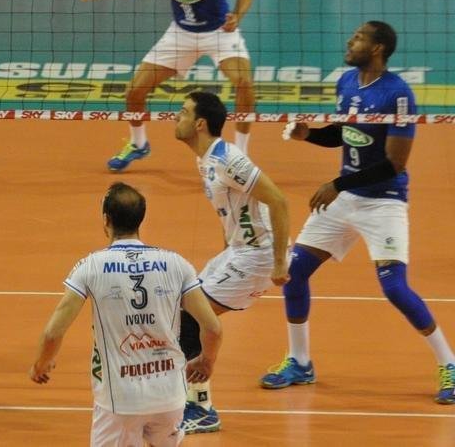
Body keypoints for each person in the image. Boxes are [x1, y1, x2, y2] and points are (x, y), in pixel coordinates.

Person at [260, 22, 455, 404]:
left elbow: (394, 164)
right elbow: (345, 132)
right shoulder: (347, 82)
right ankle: (300, 362)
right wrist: (310, 135)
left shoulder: (398, 94)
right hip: (345, 198)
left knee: (394, 288)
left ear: (378, 48)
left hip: (383, 201)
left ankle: (449, 362)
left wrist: (337, 185)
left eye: (360, 38)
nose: (350, 41)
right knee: (295, 272)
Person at [29, 182, 223, 447]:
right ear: (141, 219)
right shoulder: (177, 264)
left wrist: (42, 364)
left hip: (119, 400)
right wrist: (206, 362)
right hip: (170, 395)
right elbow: (212, 328)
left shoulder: (90, 267)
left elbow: (54, 332)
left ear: (106, 220)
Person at [79, 0, 255, 171]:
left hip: (219, 32)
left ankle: (241, 155)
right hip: (180, 33)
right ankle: (139, 144)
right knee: (134, 92)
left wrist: (237, 16)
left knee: (244, 83)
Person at [172, 90, 290, 434]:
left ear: (200, 123)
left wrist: (280, 262)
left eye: (182, 112)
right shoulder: (203, 158)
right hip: (239, 251)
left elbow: (279, 202)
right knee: (184, 305)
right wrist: (227, 246)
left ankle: (202, 407)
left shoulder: (227, 159)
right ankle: (193, 399)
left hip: (259, 256)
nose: (176, 118)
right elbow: (236, 208)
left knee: (192, 314)